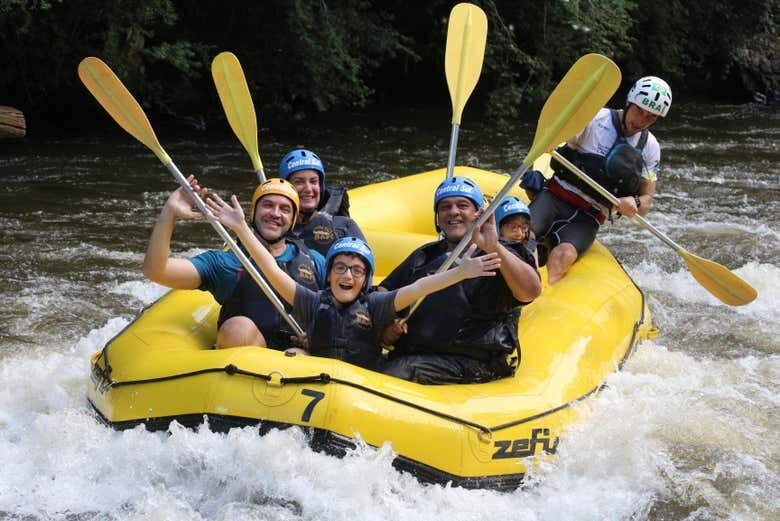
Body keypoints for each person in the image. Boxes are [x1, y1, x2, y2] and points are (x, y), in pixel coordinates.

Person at [206, 191, 502, 370]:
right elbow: (270, 268)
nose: (347, 276)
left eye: (356, 271)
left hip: (360, 390)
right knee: (293, 357)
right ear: (329, 273)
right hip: (318, 382)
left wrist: (461, 273)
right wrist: (243, 229)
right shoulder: (311, 302)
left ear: (365, 280)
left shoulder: (376, 305)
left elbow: (420, 287)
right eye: (340, 268)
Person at [378, 176, 542, 384]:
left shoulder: (499, 252)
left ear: (477, 214)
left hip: (472, 362)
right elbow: (384, 290)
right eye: (445, 207)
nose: (453, 211)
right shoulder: (425, 255)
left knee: (401, 370)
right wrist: (387, 324)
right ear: (438, 217)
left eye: (462, 205)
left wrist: (494, 248)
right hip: (417, 354)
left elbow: (531, 291)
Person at [142, 176, 326, 350]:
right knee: (238, 328)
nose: (275, 214)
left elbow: (343, 310)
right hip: (245, 364)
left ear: (293, 220)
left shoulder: (314, 261)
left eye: (285, 209)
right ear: (253, 212)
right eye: (267, 205)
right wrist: (170, 212)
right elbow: (157, 271)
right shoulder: (227, 262)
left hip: (301, 362)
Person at [526, 76, 672, 284]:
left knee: (565, 254)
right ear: (629, 102)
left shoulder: (651, 147)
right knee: (523, 236)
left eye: (650, 117)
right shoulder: (595, 118)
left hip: (588, 217)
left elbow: (647, 200)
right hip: (555, 197)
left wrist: (636, 203)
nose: (641, 120)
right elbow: (557, 138)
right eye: (639, 111)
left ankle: (540, 300)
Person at [278, 148, 366, 256]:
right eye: (299, 182)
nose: (308, 189)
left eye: (314, 181)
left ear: (321, 186)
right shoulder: (272, 228)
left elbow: (362, 269)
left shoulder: (344, 227)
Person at [495, 195, 538, 268]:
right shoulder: (485, 247)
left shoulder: (529, 245)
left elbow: (535, 275)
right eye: (513, 227)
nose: (519, 234)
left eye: (524, 228)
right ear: (498, 227)